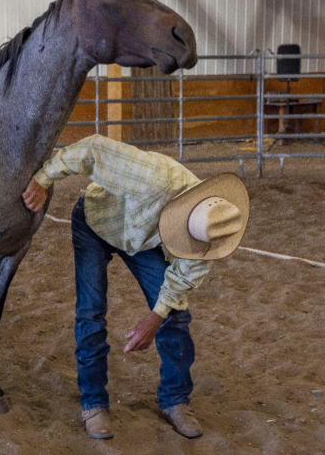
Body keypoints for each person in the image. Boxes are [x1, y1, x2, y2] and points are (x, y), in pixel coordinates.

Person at [22, 134, 249, 440]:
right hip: (96, 223)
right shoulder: (152, 176)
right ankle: (93, 403)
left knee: (175, 315)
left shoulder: (212, 230)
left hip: (144, 240)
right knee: (91, 311)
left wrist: (154, 318)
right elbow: (92, 148)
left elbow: (181, 281)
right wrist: (44, 177)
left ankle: (175, 399)